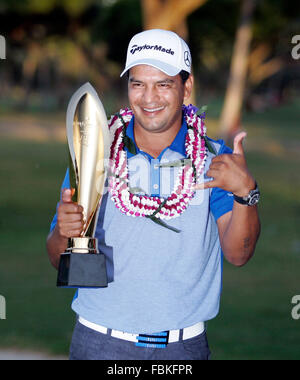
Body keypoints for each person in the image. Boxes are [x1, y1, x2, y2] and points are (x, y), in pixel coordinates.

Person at [46, 29, 261, 360]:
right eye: (138, 83)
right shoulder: (96, 151)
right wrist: (64, 231)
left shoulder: (214, 159)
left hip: (181, 349)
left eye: (163, 84)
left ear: (186, 87)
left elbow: (238, 255)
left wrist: (246, 193)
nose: (149, 97)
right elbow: (57, 257)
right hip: (99, 342)